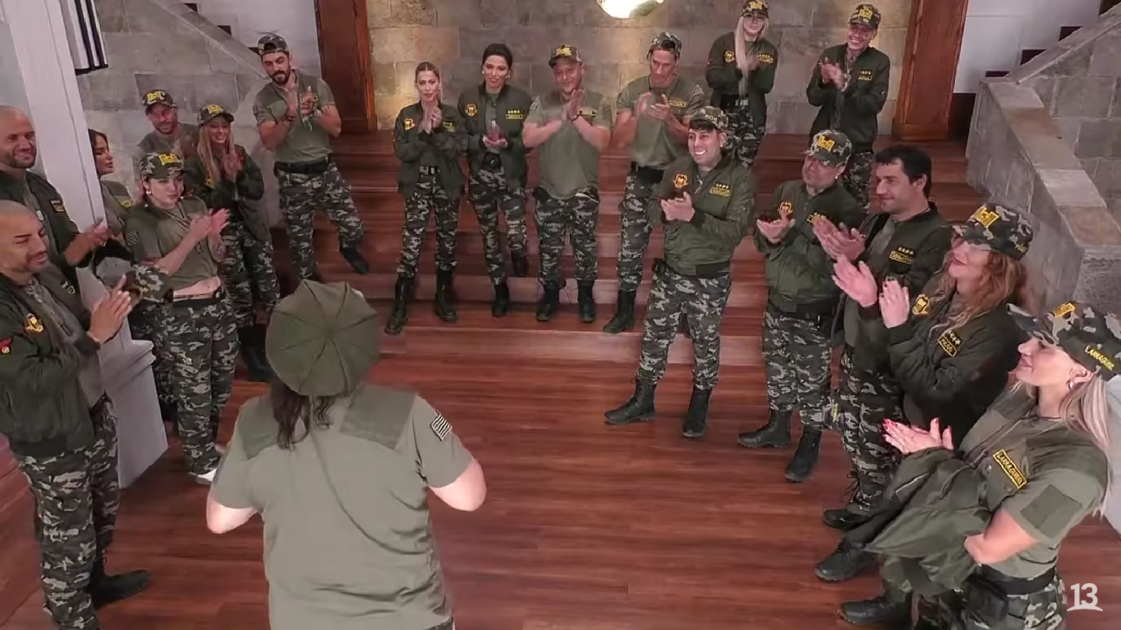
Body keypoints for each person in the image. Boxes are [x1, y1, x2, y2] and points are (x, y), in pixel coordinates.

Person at [206, 280, 487, 630]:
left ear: (280, 349)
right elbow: (469, 496)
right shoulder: (409, 413)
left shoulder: (254, 421)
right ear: (362, 348)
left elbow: (220, 519)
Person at [816, 204, 1036, 623]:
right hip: (914, 422)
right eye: (962, 236)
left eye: (976, 245)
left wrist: (896, 326)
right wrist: (871, 307)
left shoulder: (999, 327)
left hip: (947, 441)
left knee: (921, 522)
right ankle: (893, 597)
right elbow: (898, 353)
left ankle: (898, 601)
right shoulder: (944, 287)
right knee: (899, 506)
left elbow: (937, 392)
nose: (960, 248)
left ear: (1000, 263)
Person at [849, 301, 1115, 630]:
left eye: (1044, 346)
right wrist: (942, 459)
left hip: (1000, 605)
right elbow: (970, 471)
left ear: (1082, 372)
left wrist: (936, 464)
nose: (1024, 347)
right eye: (1032, 337)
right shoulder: (1019, 399)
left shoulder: (1077, 467)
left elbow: (988, 547)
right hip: (951, 567)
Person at [0, 200, 162, 629]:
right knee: (67, 538)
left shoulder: (44, 277)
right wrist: (94, 337)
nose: (41, 246)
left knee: (100, 516)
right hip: (52, 438)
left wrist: (115, 308)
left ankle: (96, 584)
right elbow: (31, 379)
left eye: (39, 233)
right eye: (23, 240)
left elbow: (78, 328)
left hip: (90, 414)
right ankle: (71, 615)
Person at [814, 145, 954, 531]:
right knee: (854, 431)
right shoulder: (877, 221)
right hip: (858, 347)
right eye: (877, 180)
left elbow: (914, 301)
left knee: (882, 442)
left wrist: (861, 263)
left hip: (889, 357)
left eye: (891, 180)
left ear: (920, 182)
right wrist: (844, 254)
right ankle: (867, 499)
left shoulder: (937, 237)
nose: (879, 189)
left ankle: (879, 517)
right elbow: (855, 279)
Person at [604, 107, 753, 438]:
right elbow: (651, 211)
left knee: (705, 343)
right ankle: (643, 401)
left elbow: (734, 233)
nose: (696, 143)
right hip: (670, 273)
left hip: (709, 280)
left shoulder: (739, 179)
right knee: (654, 339)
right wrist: (666, 213)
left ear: (722, 139)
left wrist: (692, 216)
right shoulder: (677, 168)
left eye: (705, 136)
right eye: (692, 136)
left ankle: (699, 407)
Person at [736, 130, 864, 483]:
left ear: (840, 169)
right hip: (777, 301)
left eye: (823, 162)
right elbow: (763, 238)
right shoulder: (787, 191)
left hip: (813, 309)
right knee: (777, 370)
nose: (812, 165)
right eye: (810, 157)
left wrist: (790, 237)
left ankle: (810, 443)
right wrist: (770, 237)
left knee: (812, 385)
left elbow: (835, 266)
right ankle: (778, 428)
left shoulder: (847, 210)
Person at [122, 152, 235, 484]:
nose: (173, 187)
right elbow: (157, 274)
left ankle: (205, 446)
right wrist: (192, 237)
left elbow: (218, 256)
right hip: (183, 313)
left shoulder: (194, 206)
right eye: (163, 181)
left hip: (218, 303)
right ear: (145, 184)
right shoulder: (141, 221)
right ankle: (199, 462)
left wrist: (213, 235)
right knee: (194, 391)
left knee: (220, 385)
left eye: (177, 179)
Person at [604, 32, 706, 334]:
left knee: (682, 248)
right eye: (655, 63)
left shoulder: (691, 92)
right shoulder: (633, 90)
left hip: (677, 180)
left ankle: (685, 313)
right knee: (630, 248)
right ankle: (624, 311)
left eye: (666, 64)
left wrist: (671, 121)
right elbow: (619, 140)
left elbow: (694, 140)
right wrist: (637, 117)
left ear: (676, 63)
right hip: (641, 177)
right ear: (648, 58)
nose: (660, 70)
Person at [253, 34, 369, 281]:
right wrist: (289, 115)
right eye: (269, 63)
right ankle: (311, 283)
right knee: (300, 241)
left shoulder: (315, 85)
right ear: (263, 65)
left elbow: (336, 128)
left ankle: (348, 247)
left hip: (325, 171)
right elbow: (269, 142)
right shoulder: (263, 98)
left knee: (353, 226)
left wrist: (314, 112)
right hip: (292, 176)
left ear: (290, 59)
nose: (276, 68)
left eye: (280, 61)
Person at [184, 103, 280, 383]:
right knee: (240, 295)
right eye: (214, 126)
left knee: (269, 288)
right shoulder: (193, 165)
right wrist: (226, 181)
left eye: (224, 126)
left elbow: (256, 189)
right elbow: (205, 204)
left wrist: (239, 174)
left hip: (250, 229)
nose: (220, 131)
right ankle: (252, 357)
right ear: (204, 129)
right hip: (222, 233)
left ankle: (279, 345)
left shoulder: (238, 153)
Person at [522, 44, 613, 323]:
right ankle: (550, 295)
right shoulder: (542, 102)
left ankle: (585, 295)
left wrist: (575, 117)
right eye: (559, 72)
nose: (565, 76)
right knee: (549, 250)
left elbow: (601, 141)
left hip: (582, 192)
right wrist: (559, 120)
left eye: (570, 70)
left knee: (585, 249)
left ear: (581, 69)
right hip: (550, 192)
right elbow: (528, 138)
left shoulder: (598, 101)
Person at [387, 62, 466, 334]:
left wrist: (440, 129)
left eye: (432, 82)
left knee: (447, 241)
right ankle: (401, 301)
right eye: (422, 83)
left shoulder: (452, 114)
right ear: (416, 85)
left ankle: (443, 295)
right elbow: (402, 152)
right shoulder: (407, 115)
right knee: (412, 243)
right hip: (418, 183)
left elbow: (457, 149)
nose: (428, 88)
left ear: (439, 83)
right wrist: (423, 131)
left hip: (446, 183)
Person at [458, 43, 533, 317]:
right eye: (489, 67)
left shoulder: (522, 100)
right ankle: (500, 289)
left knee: (515, 233)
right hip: (481, 175)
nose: (494, 73)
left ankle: (518, 253)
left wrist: (508, 143)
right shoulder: (467, 99)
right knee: (489, 235)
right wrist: (480, 142)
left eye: (501, 68)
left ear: (509, 72)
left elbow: (529, 141)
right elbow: (459, 138)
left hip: (511, 175)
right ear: (482, 68)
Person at [0, 105, 109, 285]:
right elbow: (13, 269)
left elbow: (68, 241)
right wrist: (67, 258)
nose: (25, 145)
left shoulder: (42, 186)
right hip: (26, 299)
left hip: (63, 295)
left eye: (29, 136)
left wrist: (86, 244)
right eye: (12, 138)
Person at [806, 3, 890, 212]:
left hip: (857, 143)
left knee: (856, 203)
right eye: (854, 28)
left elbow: (873, 105)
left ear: (873, 34)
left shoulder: (880, 61)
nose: (857, 35)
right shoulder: (831, 54)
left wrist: (846, 87)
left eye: (865, 30)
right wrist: (824, 82)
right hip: (825, 141)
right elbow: (813, 98)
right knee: (819, 197)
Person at [705, 0, 779, 169]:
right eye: (749, 16)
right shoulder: (724, 43)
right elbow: (712, 78)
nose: (754, 21)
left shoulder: (768, 50)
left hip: (752, 116)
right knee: (718, 164)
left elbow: (766, 86)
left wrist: (755, 69)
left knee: (744, 167)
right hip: (724, 112)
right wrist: (740, 70)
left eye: (759, 18)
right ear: (741, 19)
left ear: (765, 22)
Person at [137, 89, 199, 161]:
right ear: (149, 117)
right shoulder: (145, 149)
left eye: (166, 112)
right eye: (155, 115)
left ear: (175, 109)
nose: (162, 119)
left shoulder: (198, 134)